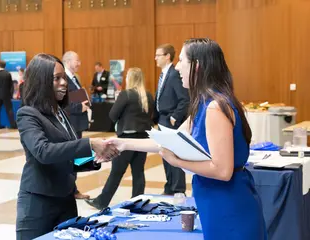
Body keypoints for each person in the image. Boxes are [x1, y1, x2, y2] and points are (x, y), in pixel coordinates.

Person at [102, 39, 267, 240]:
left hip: (228, 201)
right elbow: (167, 141)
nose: (178, 67)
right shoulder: (203, 104)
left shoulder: (215, 107)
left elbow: (222, 170)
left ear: (196, 66)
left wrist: (177, 162)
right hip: (215, 198)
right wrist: (124, 143)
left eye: (181, 61)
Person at [16, 53, 118, 239]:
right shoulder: (28, 114)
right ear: (41, 81)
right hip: (38, 202)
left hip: (65, 199)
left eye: (64, 77)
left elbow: (67, 159)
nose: (64, 83)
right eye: (57, 78)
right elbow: (43, 152)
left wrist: (96, 158)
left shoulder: (60, 113)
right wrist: (89, 144)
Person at [85, 68, 154, 209]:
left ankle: (102, 201)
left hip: (126, 138)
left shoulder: (126, 94)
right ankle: (138, 201)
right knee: (138, 171)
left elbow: (112, 114)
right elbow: (152, 115)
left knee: (116, 172)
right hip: (142, 138)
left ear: (131, 79)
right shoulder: (147, 95)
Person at [154, 43, 189, 196]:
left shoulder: (174, 74)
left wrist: (175, 117)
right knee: (165, 154)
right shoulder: (164, 74)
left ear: (167, 56)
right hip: (162, 119)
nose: (155, 58)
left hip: (171, 120)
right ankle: (169, 187)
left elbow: (184, 99)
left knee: (174, 156)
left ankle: (178, 189)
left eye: (158, 55)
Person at [62, 51, 91, 200]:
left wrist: (85, 104)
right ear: (67, 61)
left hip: (77, 124)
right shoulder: (64, 79)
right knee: (71, 157)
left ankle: (72, 189)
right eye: (77, 60)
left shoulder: (74, 78)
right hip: (71, 123)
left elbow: (78, 97)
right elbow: (63, 104)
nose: (79, 63)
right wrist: (80, 107)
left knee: (75, 158)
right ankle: (70, 190)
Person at [0, 61, 16, 129]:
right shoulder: (8, 74)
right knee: (9, 109)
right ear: (5, 66)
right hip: (6, 94)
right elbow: (11, 85)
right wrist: (10, 94)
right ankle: (12, 125)